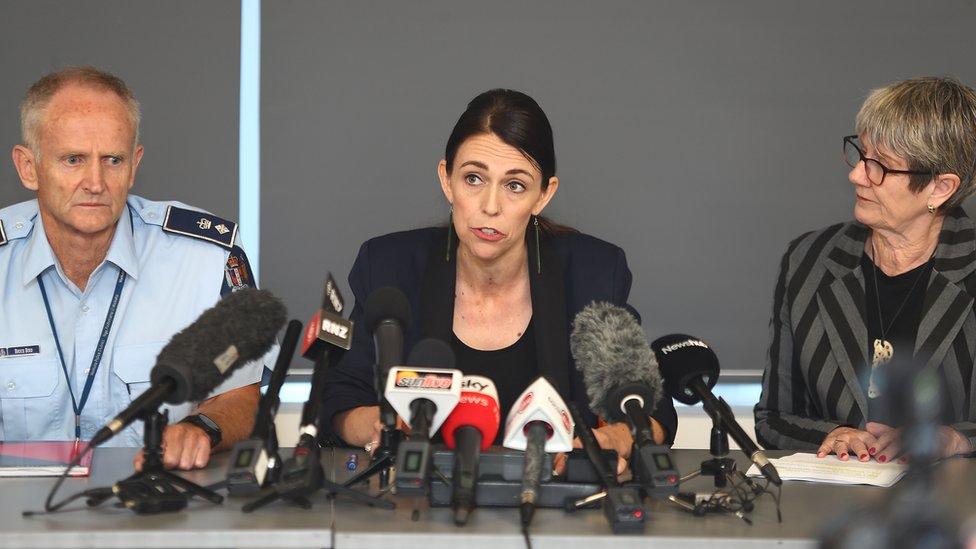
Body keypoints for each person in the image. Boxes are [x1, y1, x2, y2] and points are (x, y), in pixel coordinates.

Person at [321, 89, 676, 470]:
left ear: (543, 195)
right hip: (419, 501)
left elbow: (654, 415)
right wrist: (380, 424)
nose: (490, 206)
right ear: (447, 181)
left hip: (555, 506)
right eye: (473, 178)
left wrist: (615, 438)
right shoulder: (390, 267)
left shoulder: (593, 274)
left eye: (515, 185)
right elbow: (337, 402)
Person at [0, 67, 270, 470]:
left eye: (112, 159)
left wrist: (202, 428)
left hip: (159, 507)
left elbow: (241, 395)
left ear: (134, 164)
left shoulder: (207, 258)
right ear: (28, 167)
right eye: (73, 160)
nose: (95, 182)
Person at [755, 77, 976, 462]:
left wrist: (954, 439)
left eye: (880, 167)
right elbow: (773, 418)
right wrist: (835, 434)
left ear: (940, 188)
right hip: (831, 505)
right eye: (861, 154)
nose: (857, 174)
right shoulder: (808, 260)